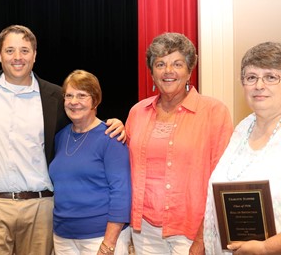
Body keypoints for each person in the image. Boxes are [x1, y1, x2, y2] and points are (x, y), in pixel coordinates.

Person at [0, 25, 125, 255]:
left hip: (40, 209)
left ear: (35, 55)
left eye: (25, 50)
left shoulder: (55, 97)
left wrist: (114, 123)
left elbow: (83, 123)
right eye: (10, 50)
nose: (17, 57)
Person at [125, 32, 233, 254]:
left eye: (177, 64)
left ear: (189, 71)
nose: (168, 71)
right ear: (152, 72)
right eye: (160, 64)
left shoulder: (214, 112)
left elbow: (223, 180)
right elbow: (124, 167)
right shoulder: (137, 112)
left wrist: (202, 236)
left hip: (190, 232)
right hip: (144, 231)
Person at [203, 42, 281, 255]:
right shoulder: (243, 127)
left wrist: (266, 247)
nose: (259, 85)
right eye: (251, 77)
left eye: (271, 77)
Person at [49, 70, 131, 255]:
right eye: (69, 95)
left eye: (82, 95)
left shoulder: (111, 137)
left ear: (95, 100)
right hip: (63, 237)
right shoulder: (61, 137)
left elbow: (121, 192)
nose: (74, 101)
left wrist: (109, 243)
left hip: (99, 238)